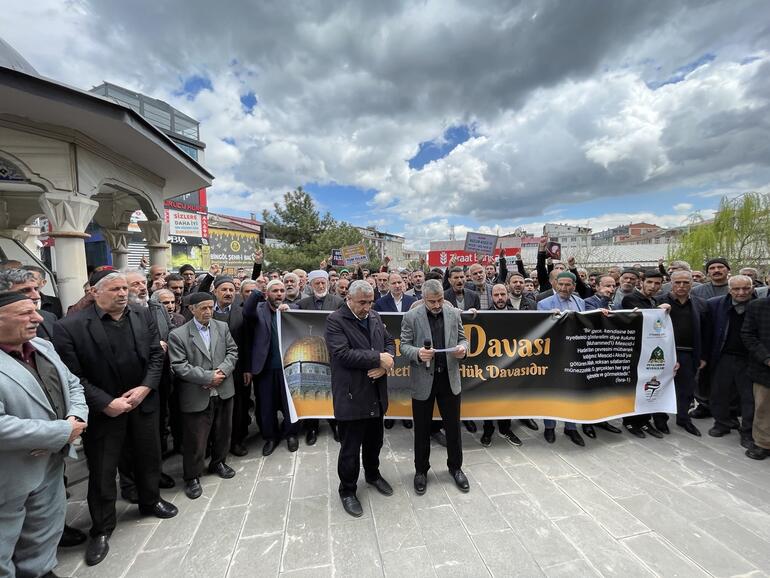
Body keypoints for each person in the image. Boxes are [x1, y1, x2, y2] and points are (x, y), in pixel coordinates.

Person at [53, 271, 177, 567]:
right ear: (94, 293)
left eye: (125, 288)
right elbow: (72, 375)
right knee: (103, 471)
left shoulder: (142, 313)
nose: (123, 293)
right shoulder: (69, 327)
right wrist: (106, 402)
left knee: (149, 457)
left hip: (143, 402)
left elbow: (155, 355)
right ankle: (102, 529)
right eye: (114, 289)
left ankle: (150, 501)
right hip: (104, 411)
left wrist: (146, 387)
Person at [0, 292, 89, 578]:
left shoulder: (42, 346)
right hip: (11, 472)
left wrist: (76, 417)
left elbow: (72, 384)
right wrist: (61, 432)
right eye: (25, 313)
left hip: (50, 461)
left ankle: (39, 570)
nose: (38, 318)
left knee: (44, 528)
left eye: (35, 311)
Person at [325, 280, 396, 517]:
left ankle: (373, 475)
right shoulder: (335, 320)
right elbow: (342, 354)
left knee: (374, 442)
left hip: (375, 394)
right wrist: (378, 359)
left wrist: (387, 363)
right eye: (362, 302)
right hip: (352, 395)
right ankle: (347, 489)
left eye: (370, 301)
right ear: (349, 299)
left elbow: (388, 341)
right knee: (350, 449)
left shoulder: (374, 316)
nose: (367, 307)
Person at [400, 279, 470, 495]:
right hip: (423, 379)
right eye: (432, 301)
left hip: (449, 379)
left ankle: (455, 467)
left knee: (453, 428)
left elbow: (463, 339)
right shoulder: (411, 317)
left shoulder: (453, 313)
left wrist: (463, 349)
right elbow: (403, 346)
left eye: (440, 300)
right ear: (423, 299)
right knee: (421, 429)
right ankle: (421, 471)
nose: (438, 305)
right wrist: (418, 354)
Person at [168, 292, 239, 499]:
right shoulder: (178, 335)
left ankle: (219, 462)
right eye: (203, 308)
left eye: (210, 307)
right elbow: (179, 365)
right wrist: (208, 377)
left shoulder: (222, 327)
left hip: (224, 390)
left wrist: (222, 372)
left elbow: (233, 352)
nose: (208, 312)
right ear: (191, 309)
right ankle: (192, 476)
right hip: (196, 394)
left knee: (223, 431)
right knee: (195, 439)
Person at [243, 280, 299, 456]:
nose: (279, 294)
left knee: (289, 403)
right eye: (275, 291)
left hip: (288, 368)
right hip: (265, 368)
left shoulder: (293, 308)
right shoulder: (259, 309)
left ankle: (291, 434)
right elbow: (247, 311)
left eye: (282, 290)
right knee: (266, 405)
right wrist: (257, 290)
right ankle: (271, 437)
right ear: (267, 294)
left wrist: (289, 314)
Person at [294, 270, 344, 445]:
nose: (321, 286)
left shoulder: (338, 302)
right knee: (310, 391)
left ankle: (336, 424)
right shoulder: (302, 303)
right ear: (311, 285)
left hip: (334, 352)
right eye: (317, 284)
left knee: (335, 390)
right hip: (311, 352)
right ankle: (312, 427)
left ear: (328, 283)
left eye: (323, 283)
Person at [706, 275, 755, 448]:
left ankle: (748, 431)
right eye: (736, 289)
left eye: (746, 288)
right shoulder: (715, 305)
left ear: (752, 287)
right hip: (723, 356)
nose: (741, 292)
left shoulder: (760, 305)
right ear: (729, 289)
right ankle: (722, 423)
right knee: (719, 393)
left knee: (750, 397)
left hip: (751, 359)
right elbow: (708, 332)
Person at [537, 272, 585, 446]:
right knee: (552, 391)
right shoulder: (544, 304)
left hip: (574, 353)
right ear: (556, 285)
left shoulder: (580, 302)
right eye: (561, 284)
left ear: (574, 285)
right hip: (553, 355)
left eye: (568, 285)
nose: (564, 288)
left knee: (572, 391)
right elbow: (541, 329)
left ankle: (571, 428)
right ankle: (549, 427)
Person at [658, 270, 708, 437]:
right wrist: (658, 312)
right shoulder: (659, 302)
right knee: (661, 388)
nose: (681, 286)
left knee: (687, 389)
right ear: (670, 283)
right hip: (664, 354)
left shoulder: (701, 304)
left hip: (689, 353)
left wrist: (703, 356)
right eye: (677, 282)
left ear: (691, 284)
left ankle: (684, 418)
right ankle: (660, 420)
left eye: (685, 282)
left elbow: (706, 332)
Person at [621, 270, 668, 438]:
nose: (653, 286)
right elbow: (642, 318)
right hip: (634, 351)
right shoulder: (631, 298)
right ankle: (630, 421)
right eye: (650, 282)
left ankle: (644, 420)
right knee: (635, 387)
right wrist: (658, 310)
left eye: (657, 283)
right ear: (641, 282)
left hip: (650, 351)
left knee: (648, 387)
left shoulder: (654, 300)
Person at [480, 284, 525, 447]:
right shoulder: (483, 315)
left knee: (507, 399)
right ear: (491, 297)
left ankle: (505, 429)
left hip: (510, 366)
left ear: (507, 295)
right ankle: (488, 429)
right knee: (488, 399)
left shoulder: (518, 315)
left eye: (502, 294)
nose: (500, 298)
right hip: (489, 367)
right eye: (496, 295)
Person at [741, 288, 770, 460]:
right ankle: (762, 443)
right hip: (764, 368)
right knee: (764, 408)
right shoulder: (757, 306)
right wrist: (766, 358)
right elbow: (748, 335)